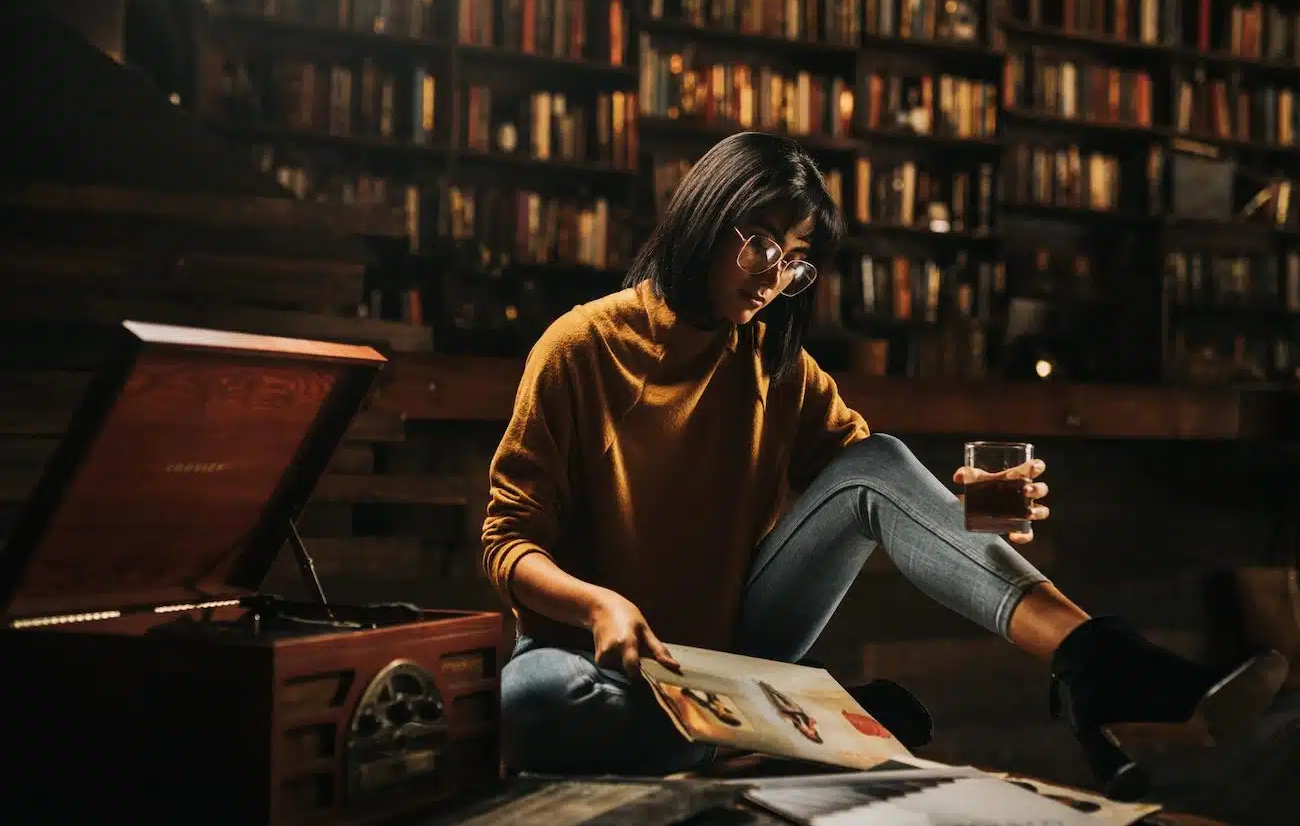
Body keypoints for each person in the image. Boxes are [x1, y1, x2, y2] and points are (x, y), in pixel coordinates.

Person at [480, 132, 1287, 798]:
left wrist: (959, 501)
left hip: (725, 652)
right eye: (761, 241)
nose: (775, 277)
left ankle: (1098, 662)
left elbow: (867, 480)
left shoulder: (774, 365)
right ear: (705, 215)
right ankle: (797, 729)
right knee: (529, 700)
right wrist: (597, 608)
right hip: (600, 659)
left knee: (882, 459)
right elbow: (507, 540)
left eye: (796, 261)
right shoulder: (581, 345)